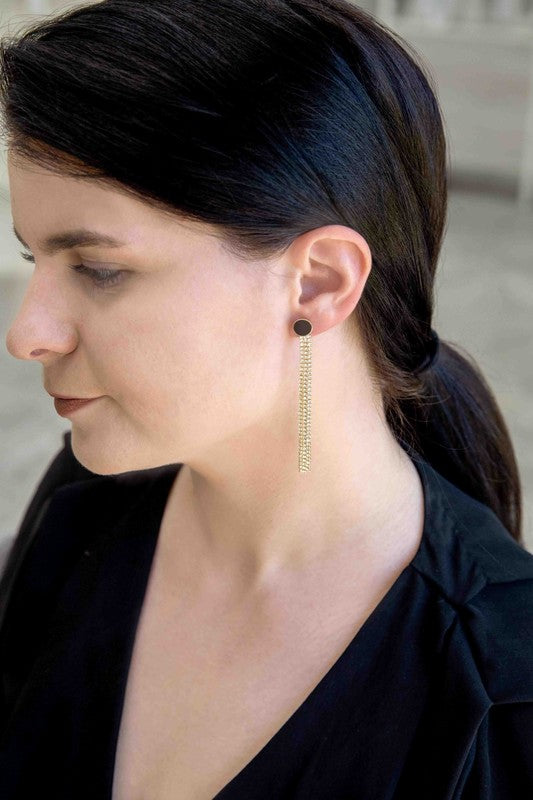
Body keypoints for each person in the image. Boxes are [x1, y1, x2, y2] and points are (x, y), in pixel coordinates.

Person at [0, 1, 531, 798]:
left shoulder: (499, 692)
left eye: (98, 268)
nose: (27, 332)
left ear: (317, 282)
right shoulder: (83, 507)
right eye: (33, 258)